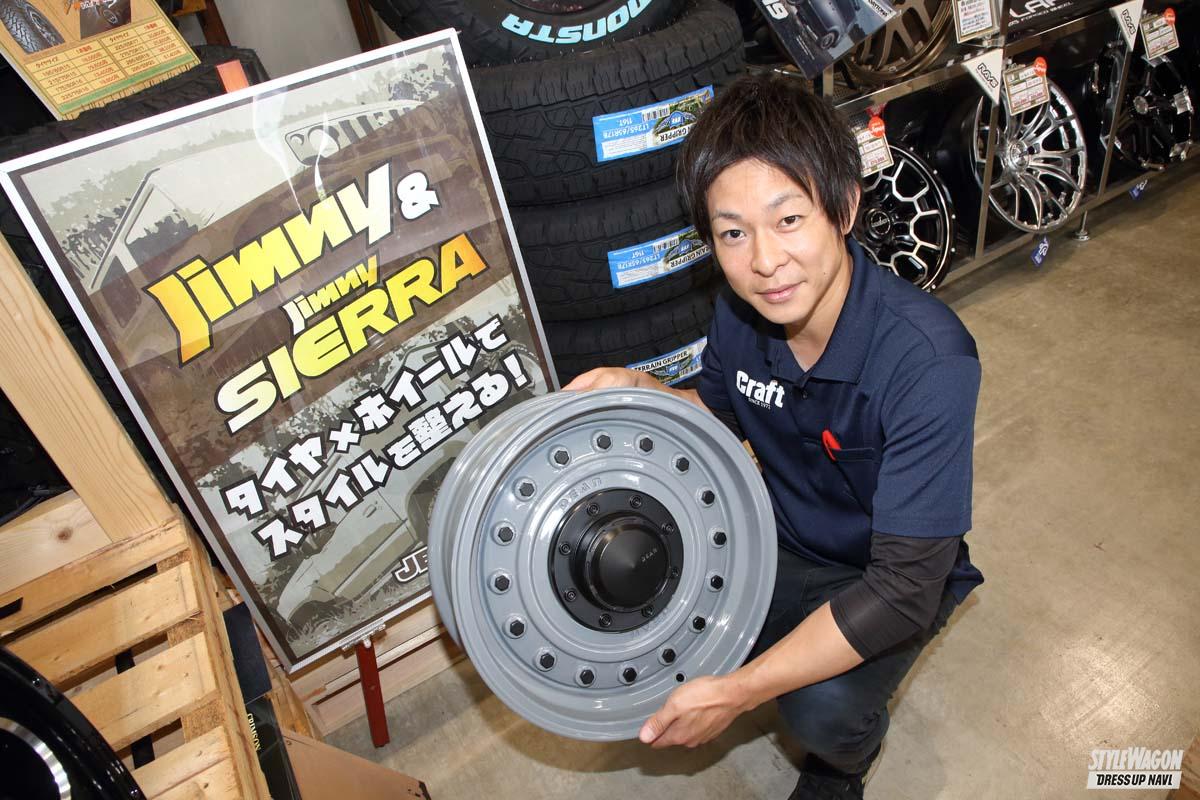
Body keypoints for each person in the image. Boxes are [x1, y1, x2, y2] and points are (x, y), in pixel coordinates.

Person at [563, 73, 983, 800]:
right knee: (661, 620)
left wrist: (742, 691)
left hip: (888, 573)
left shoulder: (930, 362)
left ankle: (841, 766)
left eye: (788, 219)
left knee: (817, 708)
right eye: (733, 232)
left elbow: (905, 587)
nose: (763, 261)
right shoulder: (741, 314)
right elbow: (717, 411)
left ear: (844, 207)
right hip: (780, 541)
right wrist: (643, 390)